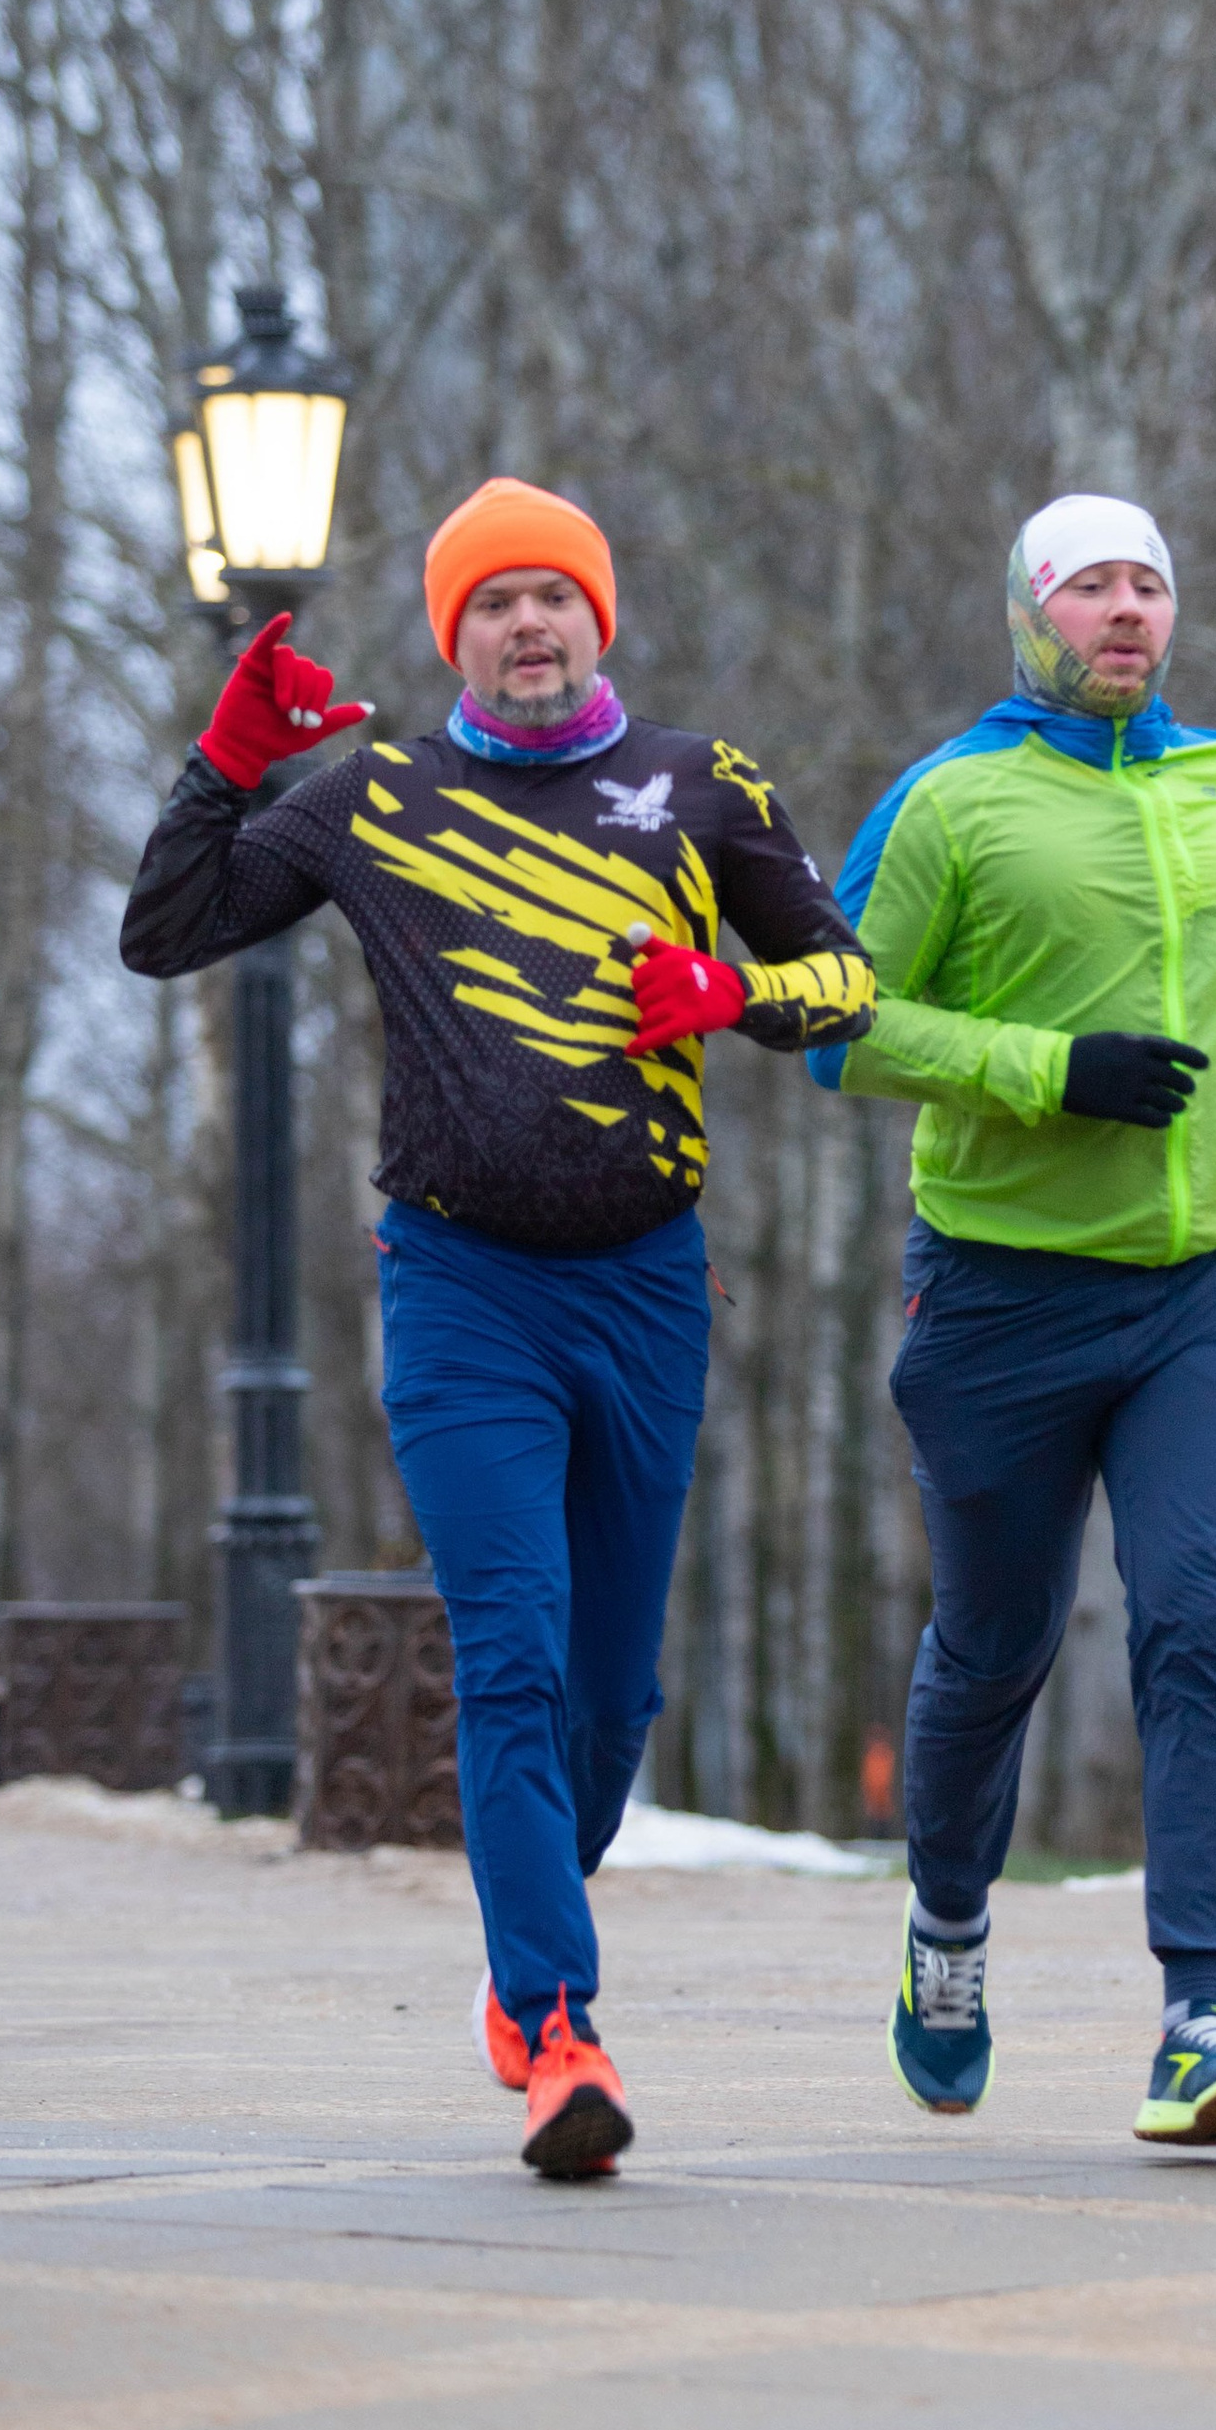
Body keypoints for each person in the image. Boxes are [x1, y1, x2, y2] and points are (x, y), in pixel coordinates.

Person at [122, 476, 873, 2177]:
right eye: (490, 604)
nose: (526, 625)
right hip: (461, 1290)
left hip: (646, 1288)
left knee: (610, 1701)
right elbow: (160, 932)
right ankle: (555, 2027)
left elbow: (853, 983)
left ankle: (525, 1934)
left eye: (554, 597)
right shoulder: (377, 794)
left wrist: (737, 994)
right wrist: (225, 765)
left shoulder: (701, 785)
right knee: (512, 1657)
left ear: (598, 619)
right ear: (452, 633)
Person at [811, 490, 1216, 2145]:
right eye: (1093, 585)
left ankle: (1203, 2013)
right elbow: (838, 1023)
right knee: (996, 1645)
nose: (1128, 610)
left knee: (1203, 1618)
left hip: (1209, 1286)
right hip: (1000, 1297)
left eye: (1150, 585)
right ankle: (949, 1931)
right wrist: (1050, 1075)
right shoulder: (953, 799)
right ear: (1033, 615)